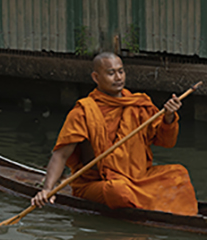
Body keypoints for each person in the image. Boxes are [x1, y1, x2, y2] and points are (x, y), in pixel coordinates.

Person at [31, 52, 198, 216]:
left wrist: (168, 117)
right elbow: (60, 155)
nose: (118, 78)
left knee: (178, 174)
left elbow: (166, 141)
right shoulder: (84, 111)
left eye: (121, 71)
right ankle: (152, 203)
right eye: (111, 73)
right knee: (118, 191)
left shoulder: (138, 104)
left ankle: (151, 204)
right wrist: (47, 189)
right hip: (98, 183)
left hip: (138, 178)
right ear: (96, 77)